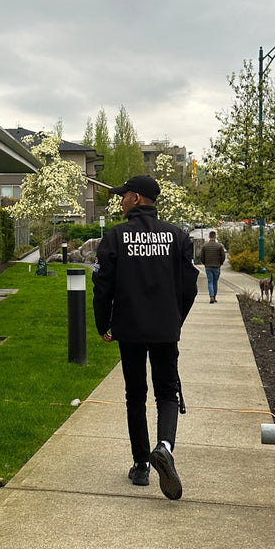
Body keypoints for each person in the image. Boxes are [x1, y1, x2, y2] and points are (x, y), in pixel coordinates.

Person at [93, 175, 199, 498]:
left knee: (135, 394)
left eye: (123, 195)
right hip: (165, 329)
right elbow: (190, 286)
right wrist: (174, 319)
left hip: (130, 329)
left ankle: (141, 465)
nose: (120, 199)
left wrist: (103, 323)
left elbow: (102, 286)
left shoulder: (115, 237)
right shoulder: (178, 237)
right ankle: (164, 447)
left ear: (136, 198)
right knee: (167, 392)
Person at [198, 229, 227, 303]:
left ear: (209, 236)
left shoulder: (205, 246)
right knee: (215, 282)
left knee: (210, 281)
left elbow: (201, 256)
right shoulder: (219, 246)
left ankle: (211, 296)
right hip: (217, 266)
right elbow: (223, 256)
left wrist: (204, 263)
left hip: (208, 266)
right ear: (215, 237)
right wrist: (221, 263)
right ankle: (214, 296)